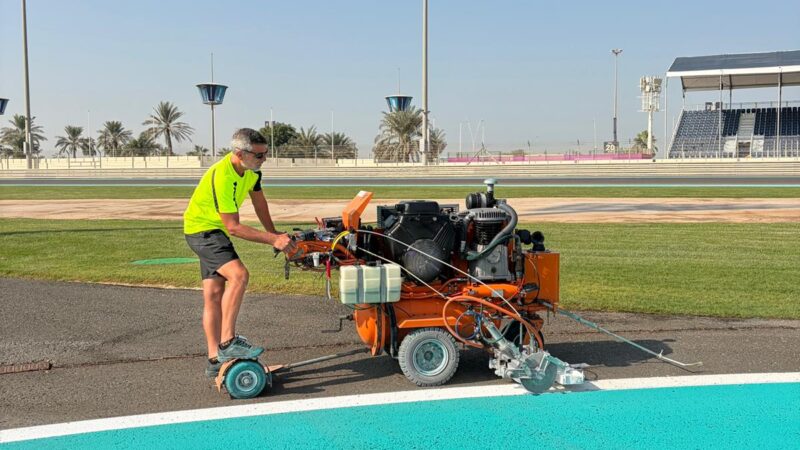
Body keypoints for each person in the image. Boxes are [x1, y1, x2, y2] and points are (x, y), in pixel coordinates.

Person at [184, 128, 295, 377]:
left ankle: (214, 359)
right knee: (239, 276)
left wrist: (275, 233)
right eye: (258, 155)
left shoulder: (251, 173)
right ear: (239, 153)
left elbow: (259, 203)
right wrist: (272, 240)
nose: (263, 159)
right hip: (203, 231)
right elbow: (233, 227)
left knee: (213, 294)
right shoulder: (222, 176)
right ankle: (227, 343)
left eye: (266, 153)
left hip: (214, 231)